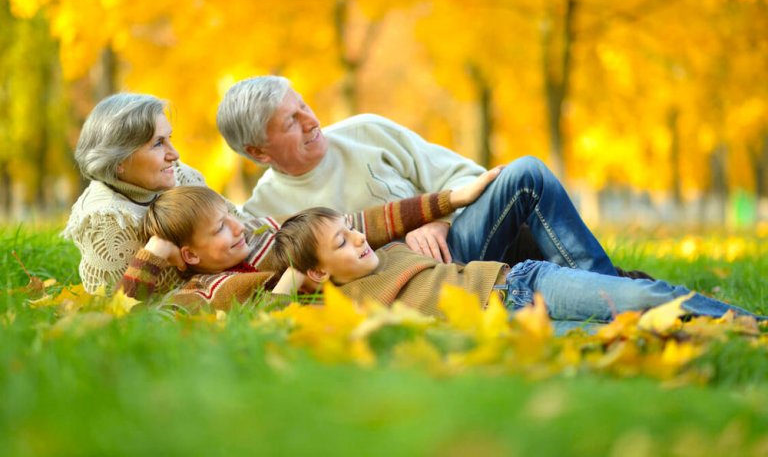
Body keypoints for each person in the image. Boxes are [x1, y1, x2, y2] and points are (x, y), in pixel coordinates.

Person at [216, 75, 647, 280]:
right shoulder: (264, 214)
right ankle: (614, 289)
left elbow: (471, 177)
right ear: (258, 151)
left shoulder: (367, 131)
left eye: (304, 105)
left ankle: (606, 288)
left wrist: (436, 219)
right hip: (412, 282)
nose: (311, 121)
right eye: (290, 122)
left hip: (457, 243)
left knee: (526, 174)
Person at [270, 207, 766, 326]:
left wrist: (440, 222)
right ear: (317, 273)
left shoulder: (391, 248)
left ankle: (756, 326)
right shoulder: (343, 304)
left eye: (352, 229)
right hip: (511, 329)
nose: (359, 238)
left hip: (524, 284)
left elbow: (410, 209)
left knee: (642, 299)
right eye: (342, 241)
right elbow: (273, 297)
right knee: (640, 331)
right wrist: (301, 269)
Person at [117, 170, 502, 310]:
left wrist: (451, 200)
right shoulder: (200, 293)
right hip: (375, 309)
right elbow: (128, 316)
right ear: (188, 253)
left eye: (230, 217)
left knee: (519, 180)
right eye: (219, 229)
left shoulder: (265, 236)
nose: (237, 229)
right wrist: (153, 254)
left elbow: (363, 222)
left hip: (403, 281)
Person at [64, 93, 210, 293]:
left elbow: (242, 234)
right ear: (119, 162)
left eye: (170, 138)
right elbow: (117, 311)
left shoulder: (180, 176)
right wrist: (154, 255)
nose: (175, 154)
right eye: (158, 143)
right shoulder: (106, 222)